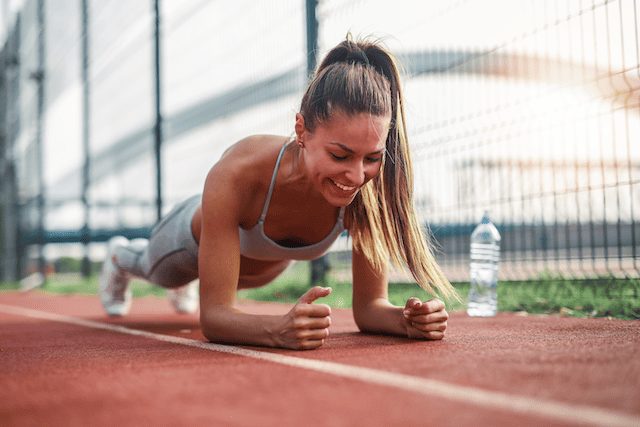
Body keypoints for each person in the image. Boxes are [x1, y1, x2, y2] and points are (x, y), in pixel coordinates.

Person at [99, 36, 458, 350]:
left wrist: (405, 320)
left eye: (373, 157)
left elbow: (369, 308)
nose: (356, 175)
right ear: (301, 130)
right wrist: (276, 330)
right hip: (187, 245)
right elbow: (215, 318)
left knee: (228, 281)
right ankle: (119, 258)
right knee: (154, 269)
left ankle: (195, 282)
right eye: (339, 155)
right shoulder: (237, 174)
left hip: (259, 268)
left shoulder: (366, 192)